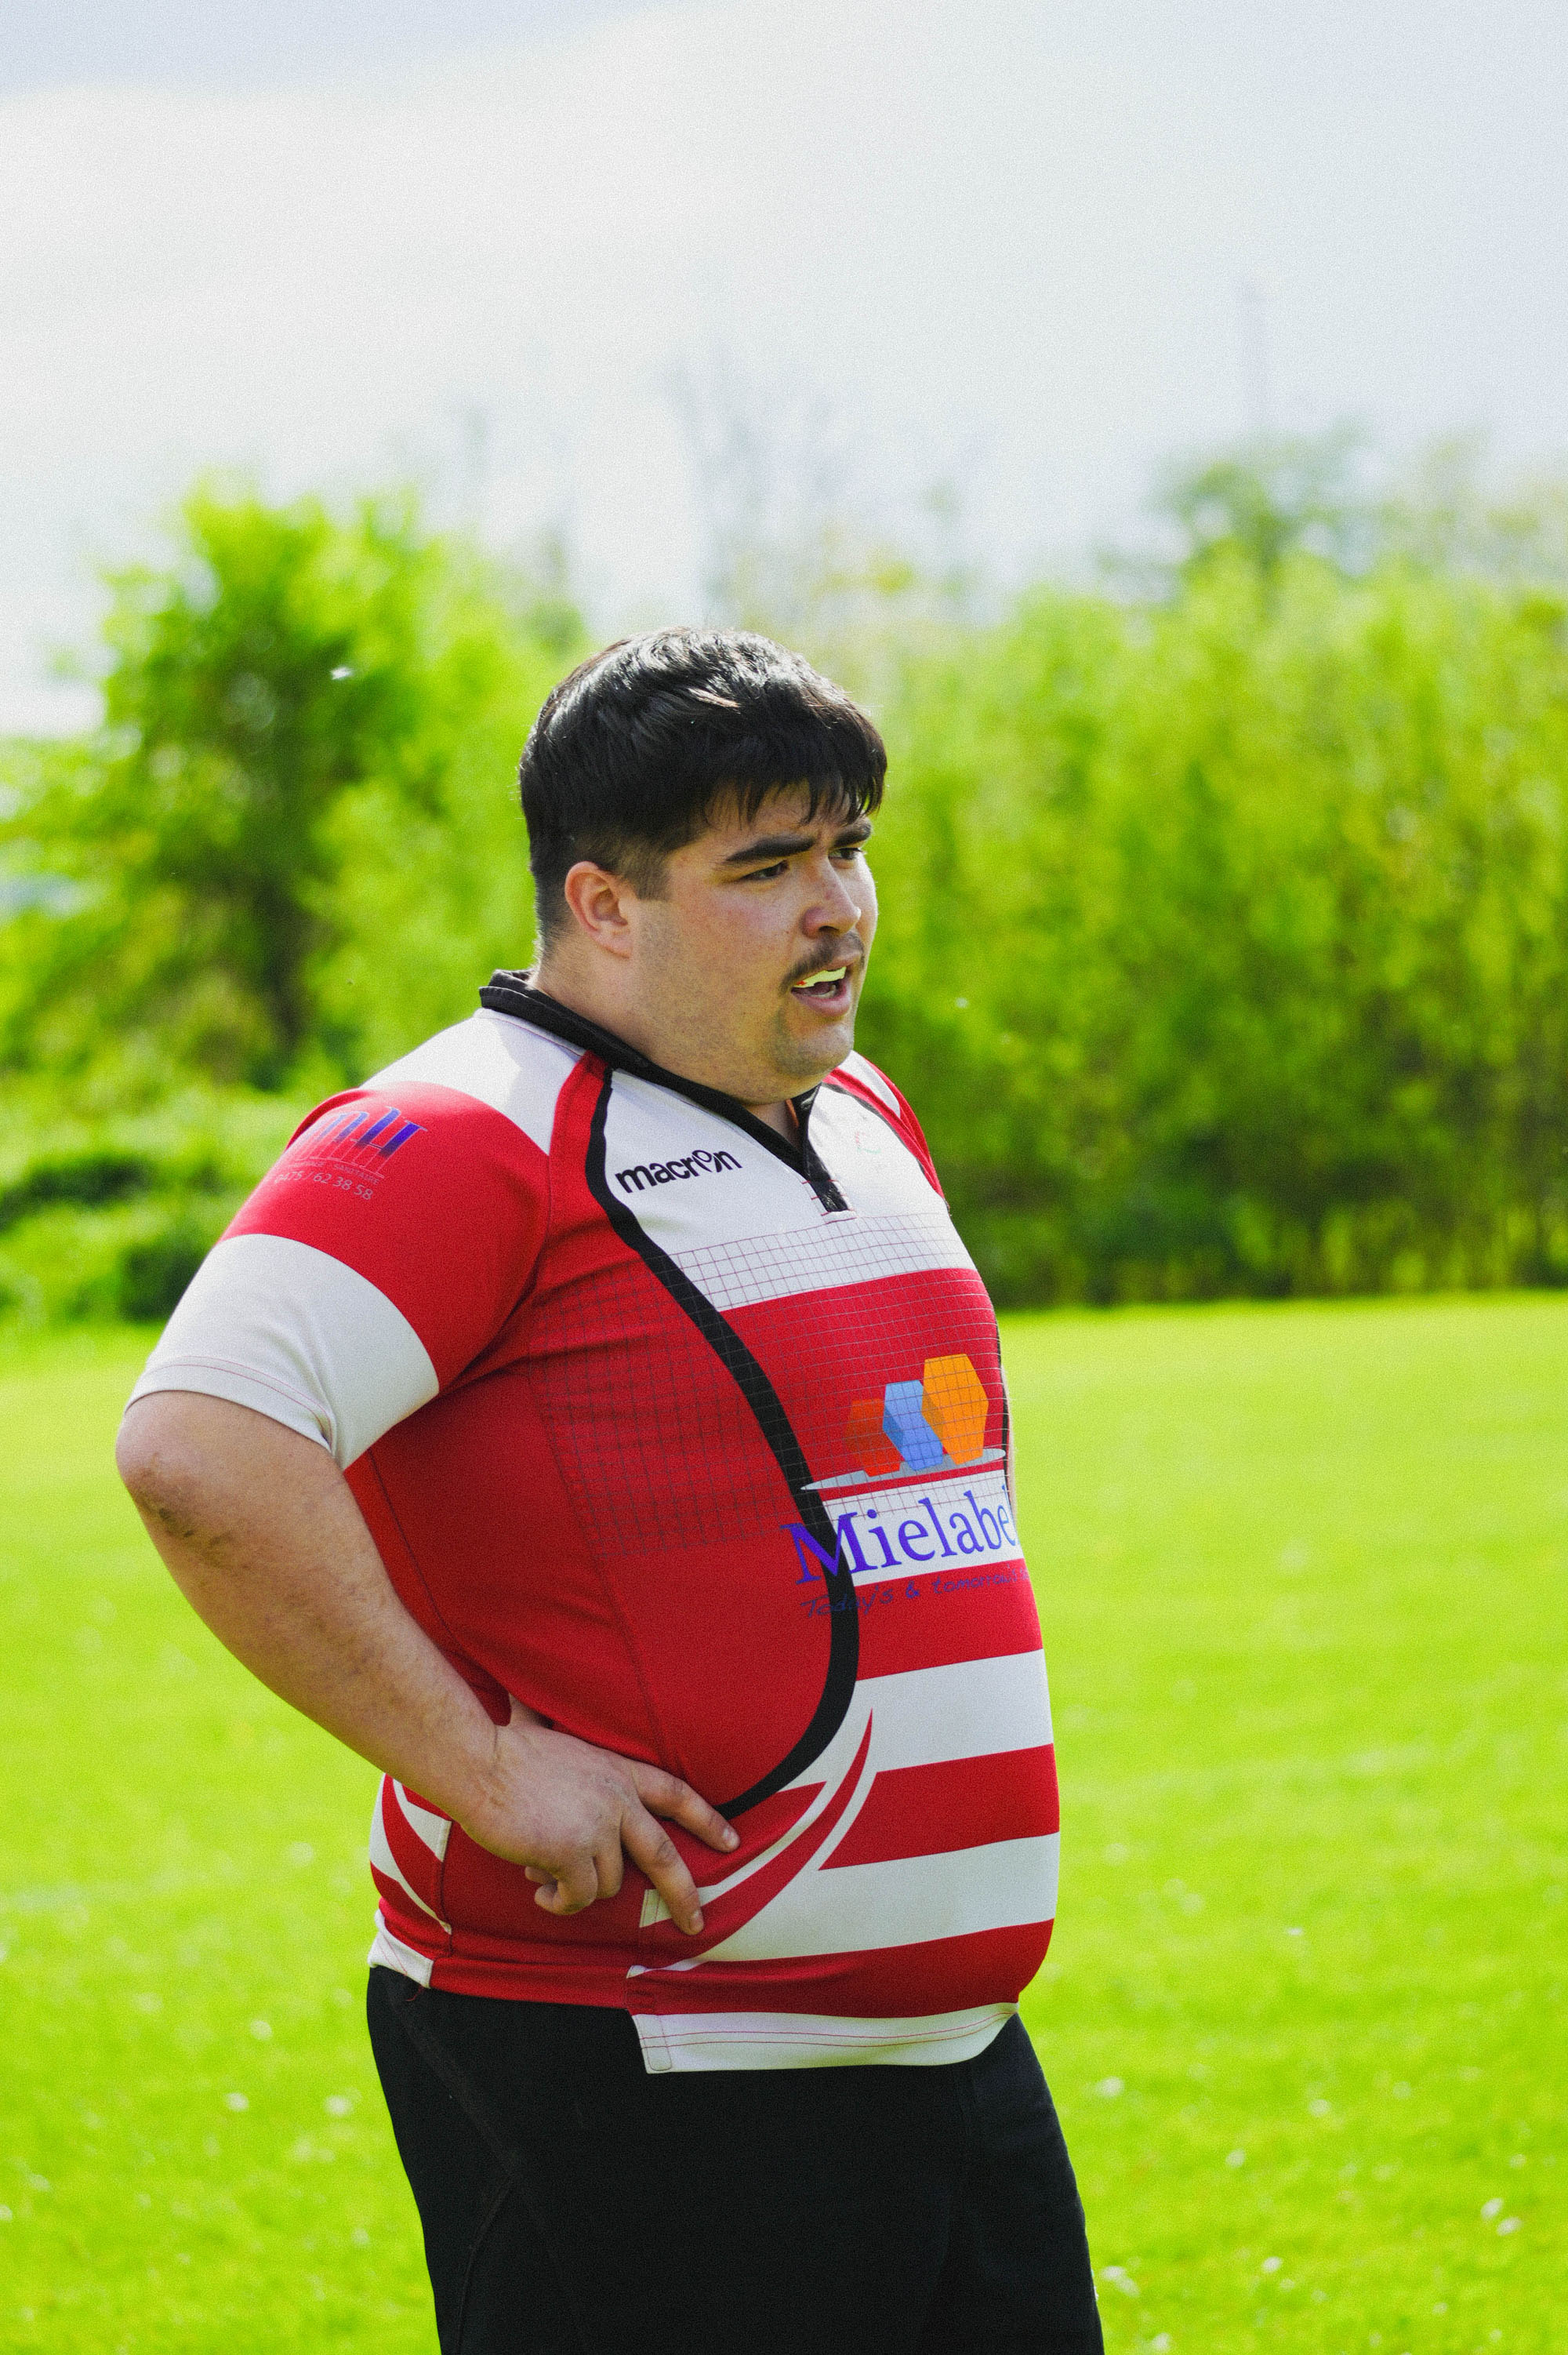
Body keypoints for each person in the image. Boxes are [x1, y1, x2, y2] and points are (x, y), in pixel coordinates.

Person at [116, 629, 1102, 2354]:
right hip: (640, 2061)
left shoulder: (863, 1110)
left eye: (849, 848)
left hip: (953, 2059)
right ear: (605, 904)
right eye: (767, 868)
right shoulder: (464, 1129)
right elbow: (201, 1450)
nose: (837, 908)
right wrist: (488, 1769)